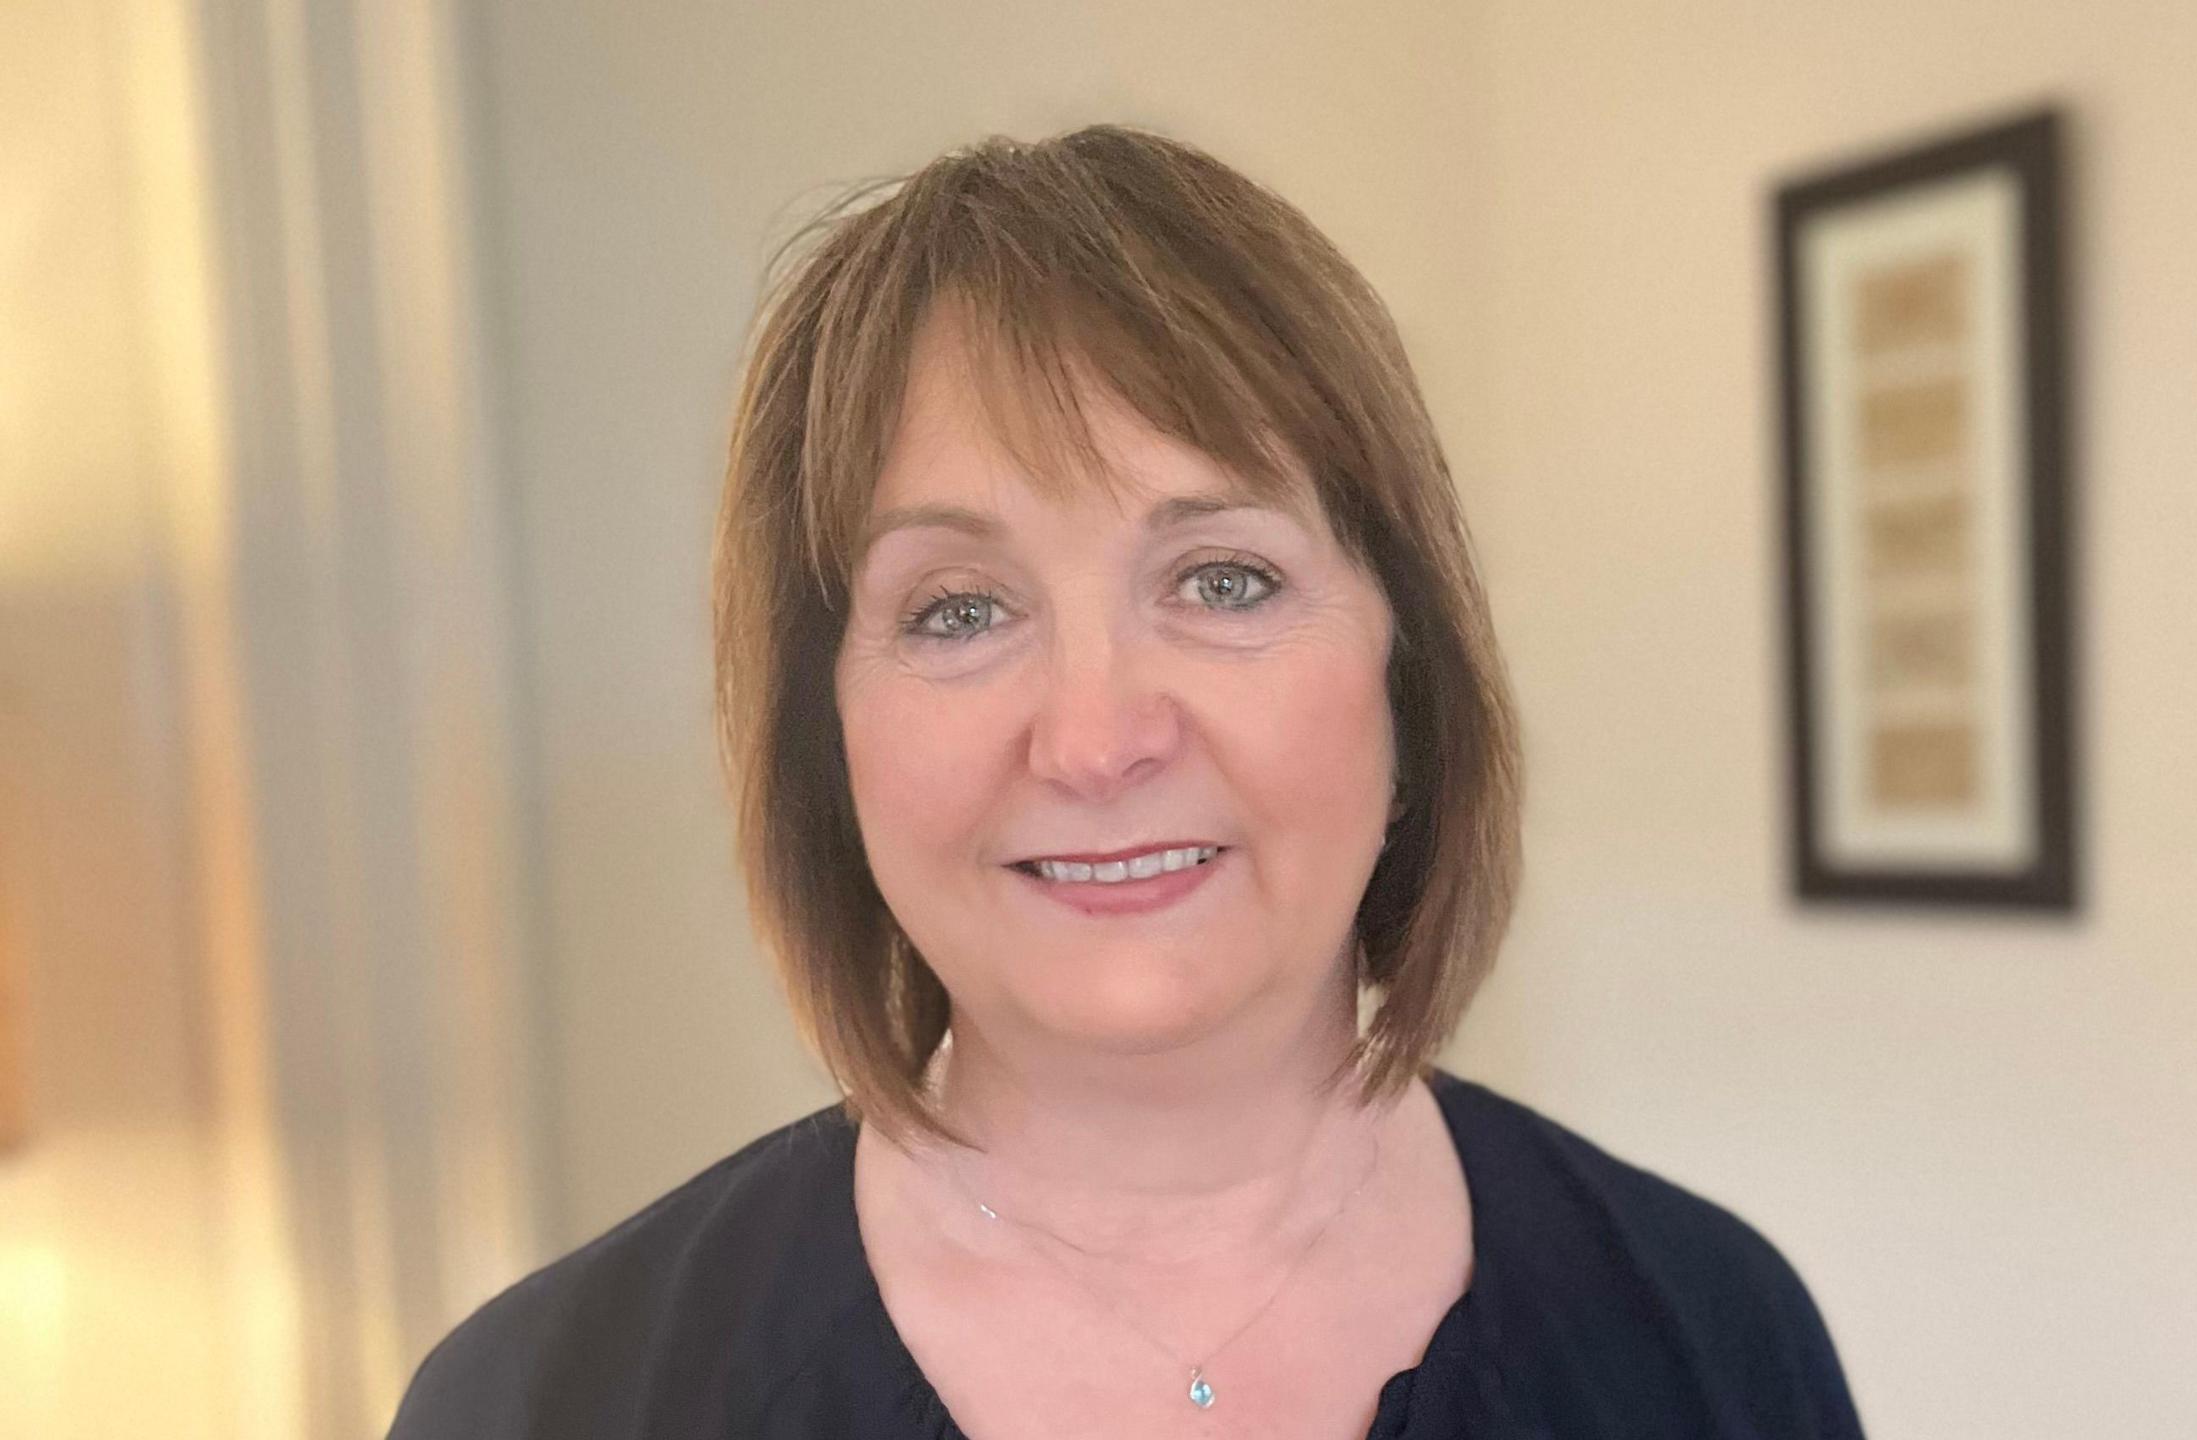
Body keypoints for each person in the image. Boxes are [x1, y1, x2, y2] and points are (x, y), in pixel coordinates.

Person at [387, 124, 1863, 1440]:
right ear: (821, 738)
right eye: (959, 610)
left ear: (1410, 683)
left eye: (1223, 580)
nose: (1095, 740)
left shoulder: (1715, 1338)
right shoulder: (544, 1404)